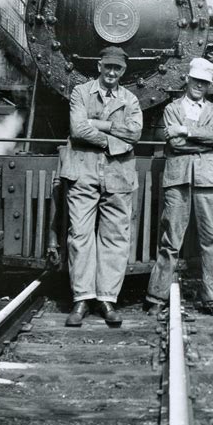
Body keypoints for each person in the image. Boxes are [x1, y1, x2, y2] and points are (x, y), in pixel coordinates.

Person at [60, 46, 142, 327]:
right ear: (99, 66)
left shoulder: (130, 99)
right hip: (82, 172)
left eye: (117, 68)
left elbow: (135, 133)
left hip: (118, 175)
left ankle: (107, 299)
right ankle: (82, 298)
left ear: (123, 71)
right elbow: (77, 129)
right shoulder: (81, 92)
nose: (111, 72)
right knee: (80, 235)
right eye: (108, 66)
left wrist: (98, 124)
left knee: (115, 238)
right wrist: (111, 137)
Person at [145, 57, 213, 316]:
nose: (199, 86)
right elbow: (175, 145)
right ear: (187, 80)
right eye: (196, 80)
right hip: (178, 178)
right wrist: (202, 138)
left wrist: (186, 130)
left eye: (204, 82)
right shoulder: (171, 109)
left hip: (208, 180)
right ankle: (156, 295)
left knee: (211, 241)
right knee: (170, 240)